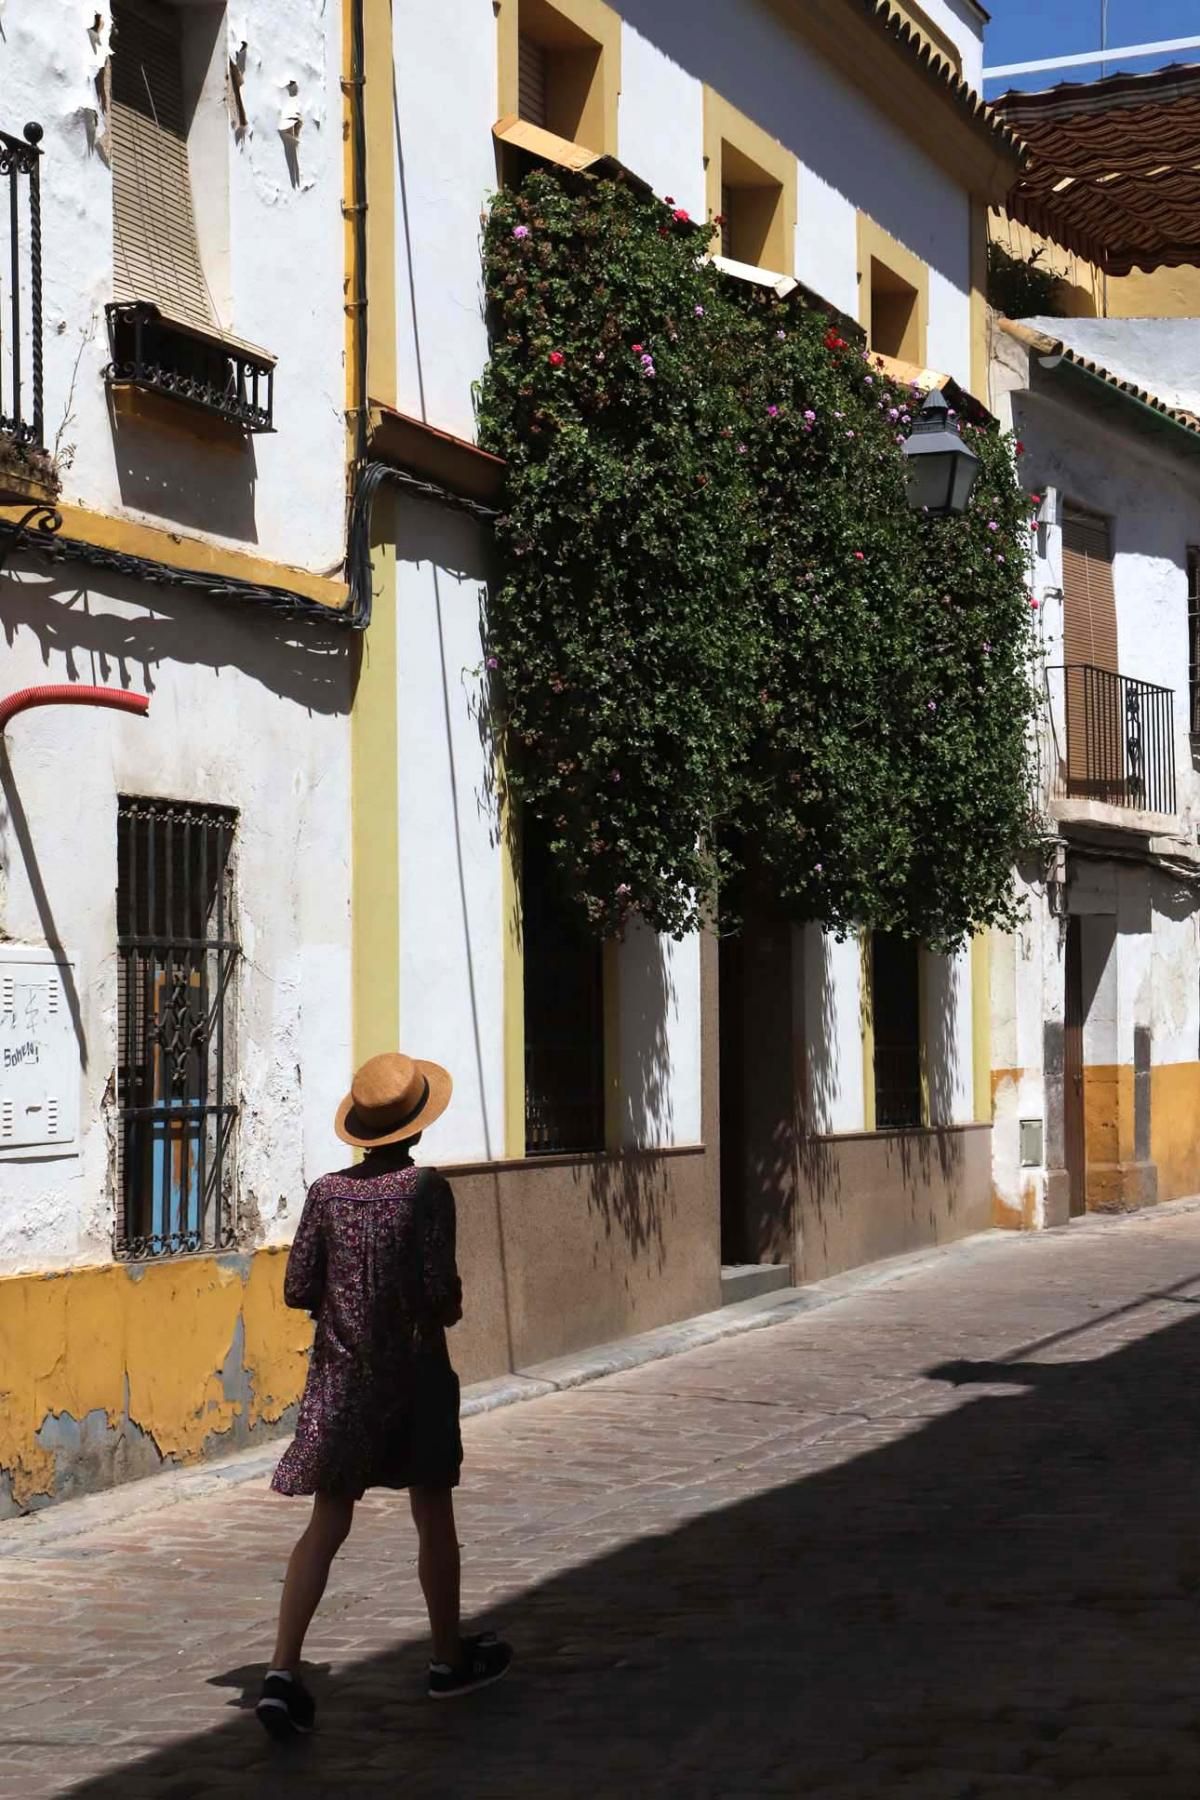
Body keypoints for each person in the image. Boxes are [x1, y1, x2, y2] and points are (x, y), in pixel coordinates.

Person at [255, 1051, 512, 1738]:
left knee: (327, 1523)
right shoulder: (428, 1191)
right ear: (415, 1128)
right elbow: (440, 1293)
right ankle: (446, 1659)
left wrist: (345, 1307)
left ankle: (282, 1671)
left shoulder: (327, 1193)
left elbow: (296, 1287)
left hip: (343, 1382)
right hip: (417, 1377)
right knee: (433, 1515)